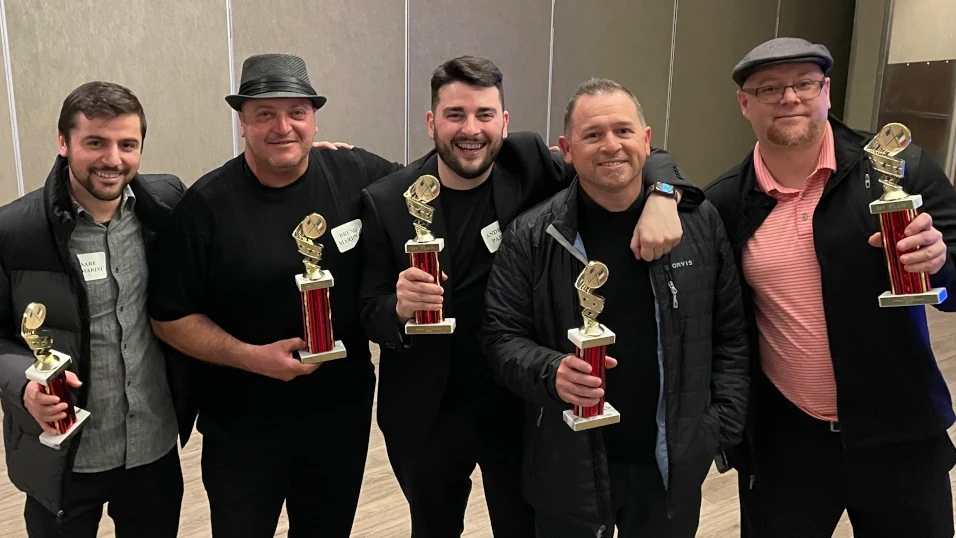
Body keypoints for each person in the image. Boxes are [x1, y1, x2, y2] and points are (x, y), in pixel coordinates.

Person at [359, 57, 705, 537]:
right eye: (455, 114)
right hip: (428, 411)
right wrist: (397, 308)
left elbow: (632, 154)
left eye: (484, 114)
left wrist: (663, 192)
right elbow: (367, 310)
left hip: (519, 402)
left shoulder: (528, 161)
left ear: (504, 122)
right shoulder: (387, 200)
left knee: (522, 529)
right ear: (431, 122)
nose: (470, 129)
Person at [705, 37, 956, 537]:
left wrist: (943, 264)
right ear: (744, 103)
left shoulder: (901, 169)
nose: (789, 98)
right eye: (769, 88)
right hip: (784, 445)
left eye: (804, 83)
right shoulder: (725, 203)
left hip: (899, 436)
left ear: (826, 92)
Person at [479, 78, 750, 538]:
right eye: (592, 134)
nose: (611, 146)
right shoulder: (531, 235)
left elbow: (730, 334)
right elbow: (499, 336)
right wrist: (551, 371)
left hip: (668, 467)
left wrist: (716, 428)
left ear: (647, 140)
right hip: (568, 464)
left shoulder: (699, 224)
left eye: (623, 131)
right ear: (567, 149)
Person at [146, 53, 402, 538]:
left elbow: (435, 185)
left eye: (296, 113)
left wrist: (537, 162)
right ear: (242, 123)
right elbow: (168, 317)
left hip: (339, 420)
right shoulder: (205, 206)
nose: (283, 127)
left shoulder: (356, 172)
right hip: (242, 428)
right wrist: (250, 357)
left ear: (314, 119)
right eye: (265, 114)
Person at [0, 81, 194, 537]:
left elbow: (232, 198)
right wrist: (23, 388)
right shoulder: (14, 231)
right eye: (95, 143)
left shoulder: (167, 204)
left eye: (127, 144)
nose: (113, 159)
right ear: (63, 142)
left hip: (152, 449)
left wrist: (312, 163)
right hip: (65, 456)